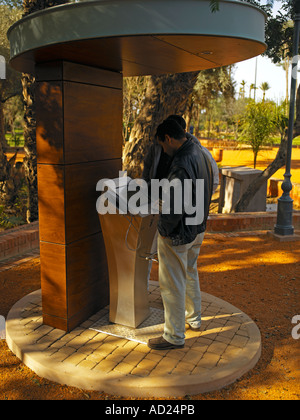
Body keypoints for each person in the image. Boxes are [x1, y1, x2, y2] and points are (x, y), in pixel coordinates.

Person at [147, 119, 213, 350]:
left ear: (168, 138)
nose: (164, 151)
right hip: (198, 228)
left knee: (172, 284)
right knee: (190, 272)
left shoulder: (181, 164)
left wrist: (163, 231)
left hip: (179, 233)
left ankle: (173, 336)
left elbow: (174, 207)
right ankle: (193, 319)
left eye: (163, 145)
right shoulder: (199, 150)